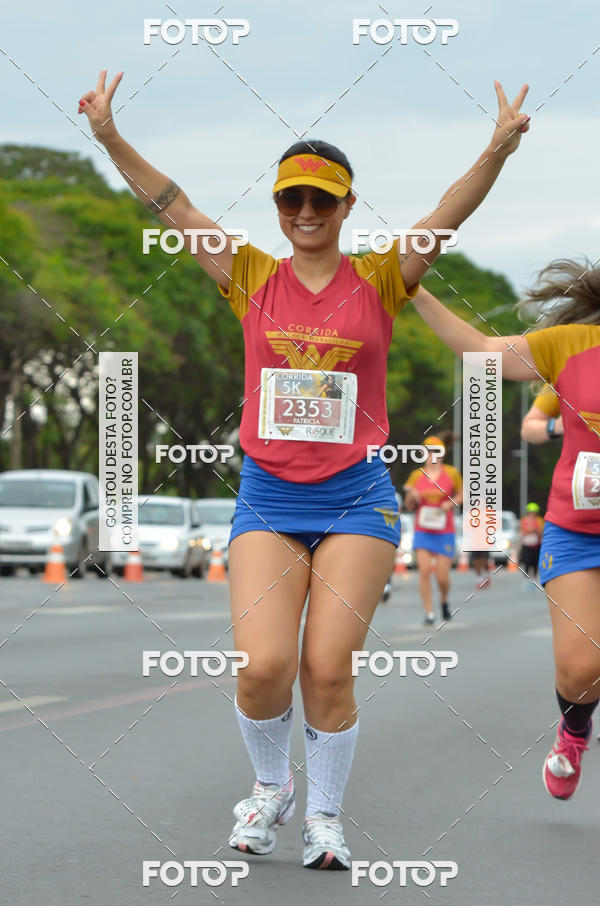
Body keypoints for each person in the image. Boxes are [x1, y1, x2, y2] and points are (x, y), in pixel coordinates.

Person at [78, 70, 530, 870]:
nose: (308, 214)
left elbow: (449, 212)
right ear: (279, 208)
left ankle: (324, 815)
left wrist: (496, 146)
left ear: (348, 206)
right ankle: (270, 788)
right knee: (262, 668)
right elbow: (171, 206)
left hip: (356, 498)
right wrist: (111, 137)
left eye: (323, 200)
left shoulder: (384, 278)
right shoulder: (249, 275)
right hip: (267, 496)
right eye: (293, 201)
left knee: (326, 667)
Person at [411, 258, 600, 802]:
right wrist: (418, 292)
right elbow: (482, 352)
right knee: (580, 666)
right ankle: (574, 731)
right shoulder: (571, 343)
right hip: (579, 528)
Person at [403, 433, 463, 623]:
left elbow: (463, 494)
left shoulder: (451, 473)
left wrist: (450, 504)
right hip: (423, 529)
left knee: (442, 577)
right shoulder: (416, 476)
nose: (432, 455)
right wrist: (412, 496)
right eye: (428, 452)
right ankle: (429, 612)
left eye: (436, 451)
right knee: (424, 570)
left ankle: (444, 600)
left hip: (444, 530)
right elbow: (408, 505)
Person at [519, 502, 545, 588]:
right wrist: (531, 530)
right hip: (526, 545)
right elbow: (522, 532)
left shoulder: (540, 520)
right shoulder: (524, 520)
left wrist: (535, 530)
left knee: (535, 563)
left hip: (536, 545)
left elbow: (541, 532)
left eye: (534, 512)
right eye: (531, 512)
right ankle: (526, 581)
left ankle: (534, 580)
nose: (532, 514)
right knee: (526, 563)